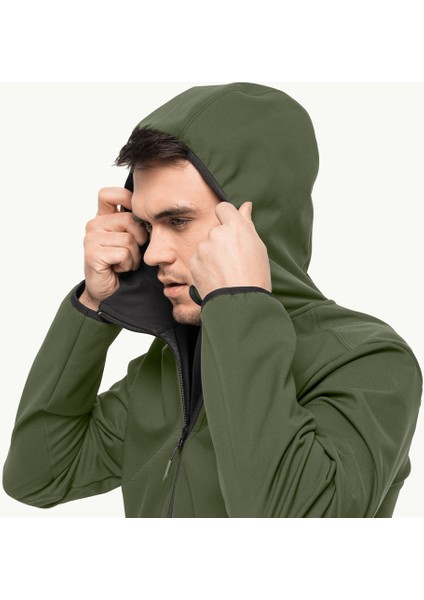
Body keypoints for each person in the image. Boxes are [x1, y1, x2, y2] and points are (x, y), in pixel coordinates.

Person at [2, 82, 422, 518]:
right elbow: (38, 476)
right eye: (146, 226)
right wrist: (94, 304)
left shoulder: (368, 360)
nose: (153, 254)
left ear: (256, 222)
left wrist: (239, 302)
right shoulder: (170, 366)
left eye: (178, 220)